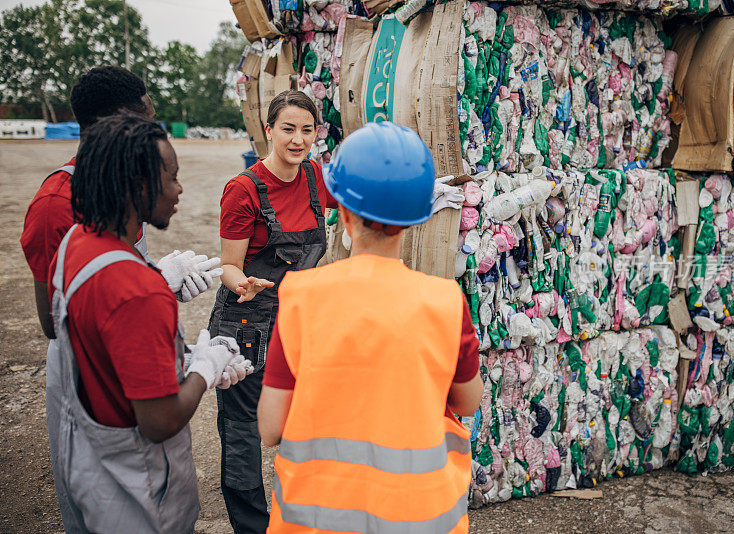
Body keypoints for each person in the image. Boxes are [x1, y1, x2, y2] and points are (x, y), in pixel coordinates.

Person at [256, 121, 484, 533]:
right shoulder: (447, 302)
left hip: (315, 521)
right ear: (416, 218)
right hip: (420, 519)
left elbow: (271, 427)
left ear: (343, 212)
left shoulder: (300, 296)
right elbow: (467, 403)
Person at [46, 113, 253, 533]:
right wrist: (204, 369)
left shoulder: (76, 243)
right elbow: (159, 421)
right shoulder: (140, 291)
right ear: (138, 186)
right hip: (137, 493)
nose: (179, 190)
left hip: (87, 462)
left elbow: (110, 343)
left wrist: (181, 355)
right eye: (171, 178)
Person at [208, 89, 338, 534]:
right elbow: (228, 263)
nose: (298, 140)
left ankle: (297, 520)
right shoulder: (243, 189)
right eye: (288, 129)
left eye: (307, 130)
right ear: (268, 130)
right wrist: (239, 282)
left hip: (296, 319)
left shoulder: (315, 178)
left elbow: (361, 208)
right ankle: (252, 527)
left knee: (302, 422)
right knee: (243, 432)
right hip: (246, 321)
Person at [21, 65, 220, 340]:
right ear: (114, 125)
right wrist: (154, 283)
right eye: (145, 123)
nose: (155, 132)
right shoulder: (55, 206)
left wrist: (156, 282)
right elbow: (56, 323)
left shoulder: (129, 187)